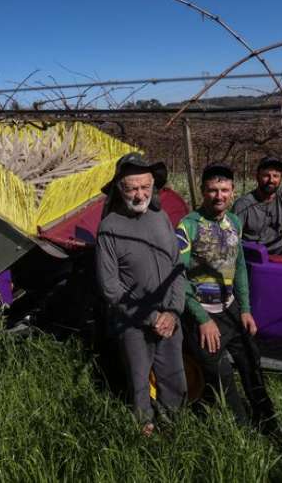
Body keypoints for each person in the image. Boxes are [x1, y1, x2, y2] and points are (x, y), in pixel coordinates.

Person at [176, 164, 278, 432]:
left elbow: (239, 265)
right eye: (212, 190)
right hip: (202, 313)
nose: (218, 196)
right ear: (203, 191)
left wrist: (245, 309)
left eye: (224, 190)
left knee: (251, 364)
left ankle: (269, 422)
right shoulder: (188, 226)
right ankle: (242, 432)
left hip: (231, 308)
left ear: (233, 192)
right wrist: (202, 319)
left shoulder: (233, 222)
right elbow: (178, 276)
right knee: (221, 376)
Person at [95, 153, 187, 435]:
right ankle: (142, 436)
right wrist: (151, 316)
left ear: (153, 186)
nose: (140, 194)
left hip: (170, 319)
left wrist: (173, 311)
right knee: (138, 384)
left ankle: (173, 429)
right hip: (133, 323)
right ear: (120, 189)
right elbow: (110, 286)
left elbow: (177, 267)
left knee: (175, 380)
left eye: (145, 187)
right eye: (132, 188)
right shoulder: (110, 228)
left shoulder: (161, 217)